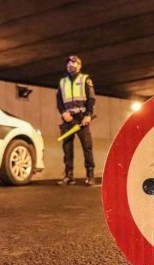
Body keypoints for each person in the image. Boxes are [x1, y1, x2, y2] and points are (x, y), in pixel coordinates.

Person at [56, 55, 96, 186]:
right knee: (67, 147)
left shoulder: (85, 79)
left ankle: (90, 175)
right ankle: (69, 175)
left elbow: (90, 98)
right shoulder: (62, 82)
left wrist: (88, 114)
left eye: (73, 62)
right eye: (68, 62)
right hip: (68, 119)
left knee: (87, 146)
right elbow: (59, 100)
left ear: (79, 65)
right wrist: (63, 113)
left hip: (81, 117)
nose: (70, 64)